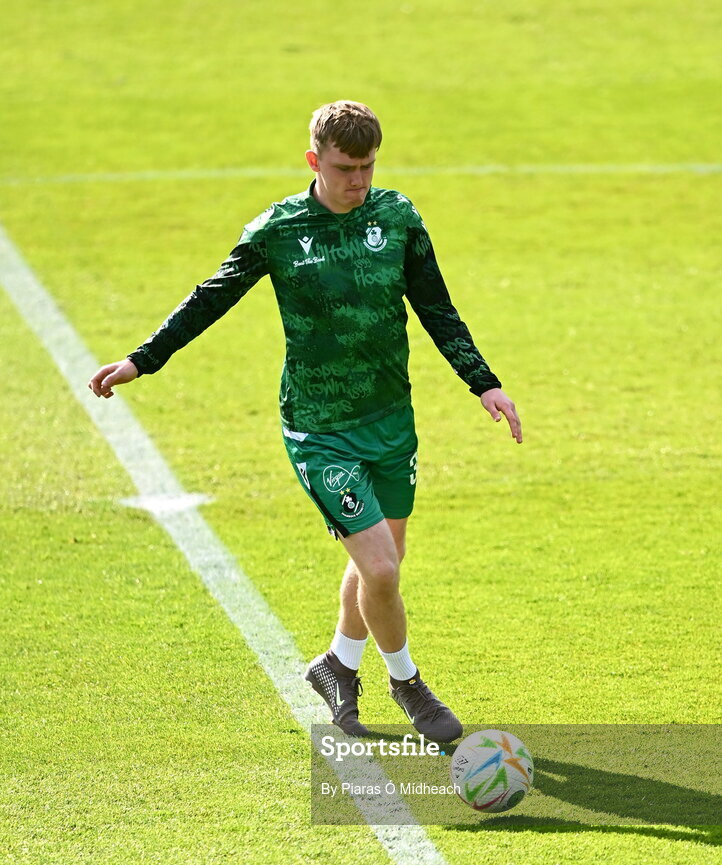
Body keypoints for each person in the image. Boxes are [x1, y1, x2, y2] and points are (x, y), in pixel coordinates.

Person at [88, 100, 522, 743]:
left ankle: (337, 666)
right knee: (380, 570)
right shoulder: (279, 229)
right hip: (319, 427)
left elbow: (437, 306)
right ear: (315, 161)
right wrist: (142, 360)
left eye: (369, 167)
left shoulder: (397, 217)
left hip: (390, 419)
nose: (360, 181)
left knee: (387, 558)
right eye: (347, 168)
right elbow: (214, 295)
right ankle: (409, 685)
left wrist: (483, 382)